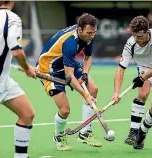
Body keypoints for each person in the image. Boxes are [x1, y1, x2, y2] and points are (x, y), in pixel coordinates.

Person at [36, 13, 102, 151]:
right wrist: (85, 95)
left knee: (93, 89)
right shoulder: (70, 42)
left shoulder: (88, 36)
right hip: (49, 69)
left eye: (94, 32)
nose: (92, 35)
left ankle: (85, 133)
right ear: (80, 30)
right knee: (65, 110)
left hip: (67, 64)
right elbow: (69, 76)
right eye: (89, 33)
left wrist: (85, 74)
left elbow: (88, 57)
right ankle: (59, 136)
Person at [112, 15, 152, 149]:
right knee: (142, 94)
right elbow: (120, 69)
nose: (137, 40)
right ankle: (133, 132)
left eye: (140, 36)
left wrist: (142, 78)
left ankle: (142, 133)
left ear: (147, 31)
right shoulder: (130, 43)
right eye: (135, 36)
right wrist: (116, 92)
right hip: (144, 67)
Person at [0, 1, 36, 158]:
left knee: (27, 114)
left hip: (4, 80)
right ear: (12, 1)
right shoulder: (13, 19)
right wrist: (27, 68)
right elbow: (17, 52)